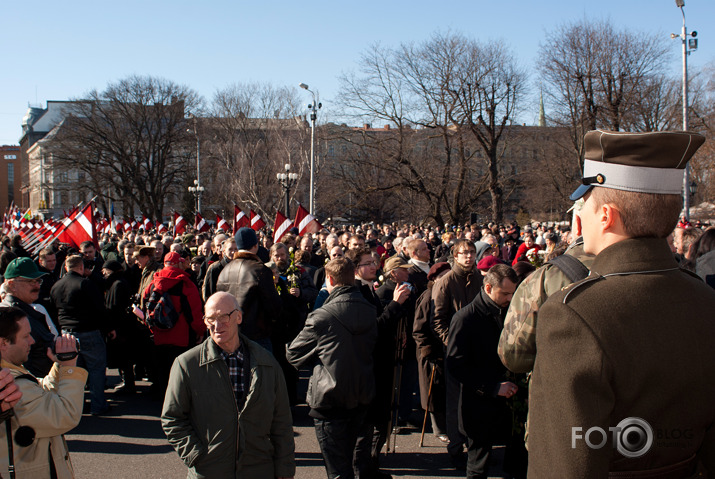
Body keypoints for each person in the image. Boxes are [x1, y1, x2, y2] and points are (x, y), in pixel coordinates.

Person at [529, 130, 715, 477]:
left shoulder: (574, 314)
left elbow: (566, 462)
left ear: (606, 216)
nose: (580, 211)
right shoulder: (705, 300)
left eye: (585, 202)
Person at [162, 291, 295, 479]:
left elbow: (281, 421)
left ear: (238, 317)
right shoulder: (187, 365)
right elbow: (172, 418)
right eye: (210, 319)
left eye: (224, 317)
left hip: (258, 470)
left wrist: (285, 469)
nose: (217, 325)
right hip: (209, 471)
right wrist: (195, 455)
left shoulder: (266, 363)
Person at [287, 257, 377, 479]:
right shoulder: (370, 309)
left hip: (330, 400)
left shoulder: (322, 316)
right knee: (350, 464)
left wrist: (321, 353)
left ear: (329, 279)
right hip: (361, 395)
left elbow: (293, 353)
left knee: (337, 471)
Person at [447, 264, 519, 479]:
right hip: (478, 404)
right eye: (505, 293)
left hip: (510, 401)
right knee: (478, 466)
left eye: (513, 293)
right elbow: (456, 365)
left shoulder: (509, 311)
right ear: (488, 288)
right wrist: (492, 387)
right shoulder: (465, 318)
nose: (510, 298)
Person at [0, 306, 86, 478]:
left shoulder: (12, 373)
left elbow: (41, 394)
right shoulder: (11, 384)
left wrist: (60, 366)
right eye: (25, 336)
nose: (32, 341)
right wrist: (69, 369)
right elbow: (64, 415)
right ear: (4, 343)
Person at [51, 254, 114, 416]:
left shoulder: (56, 286)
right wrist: (108, 328)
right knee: (96, 370)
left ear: (66, 267)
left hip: (66, 334)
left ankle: (75, 406)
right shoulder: (85, 284)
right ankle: (98, 405)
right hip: (89, 332)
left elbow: (53, 310)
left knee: (73, 373)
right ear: (81, 268)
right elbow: (100, 308)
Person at [141, 252, 204, 400]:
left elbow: (145, 308)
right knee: (182, 372)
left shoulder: (153, 283)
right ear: (178, 264)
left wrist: (151, 328)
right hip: (181, 337)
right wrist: (200, 331)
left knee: (163, 371)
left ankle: (166, 400)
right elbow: (195, 312)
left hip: (159, 336)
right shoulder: (186, 284)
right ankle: (180, 401)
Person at [216, 228, 281, 351]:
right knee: (262, 370)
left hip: (231, 334)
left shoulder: (225, 270)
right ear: (256, 245)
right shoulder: (260, 270)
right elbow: (273, 306)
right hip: (257, 336)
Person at [1, 258, 56, 377]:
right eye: (31, 281)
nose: (37, 286)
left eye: (38, 281)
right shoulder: (11, 316)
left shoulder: (28, 311)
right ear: (12, 285)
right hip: (31, 388)